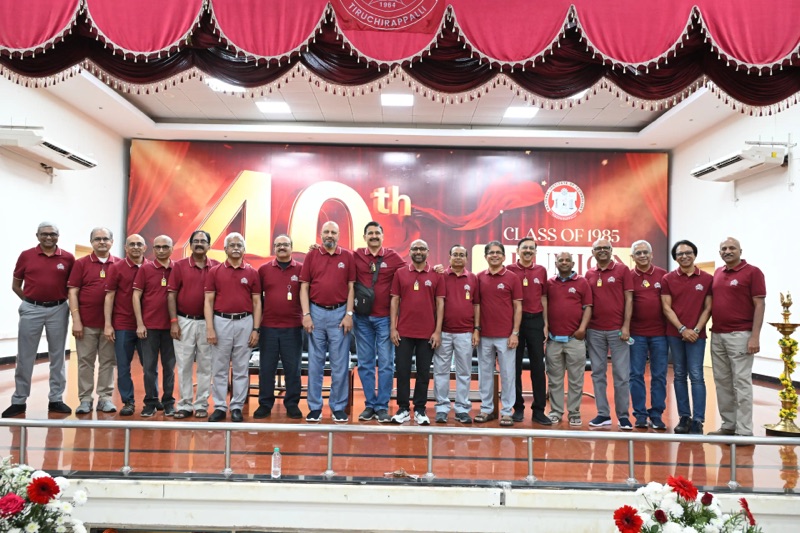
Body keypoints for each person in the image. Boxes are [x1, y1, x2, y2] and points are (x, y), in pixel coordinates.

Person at [2, 222, 74, 418]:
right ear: (37, 235)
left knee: (58, 356)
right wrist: (30, 302)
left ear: (58, 236)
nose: (48, 237)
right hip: (31, 309)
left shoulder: (68, 258)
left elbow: (73, 287)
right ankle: (19, 401)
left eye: (52, 234)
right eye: (44, 234)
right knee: (25, 357)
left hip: (58, 309)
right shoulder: (26, 255)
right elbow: (16, 285)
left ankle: (56, 399)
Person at [299, 221, 356, 423]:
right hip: (315, 313)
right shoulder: (312, 255)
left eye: (333, 232)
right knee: (315, 364)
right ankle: (315, 408)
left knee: (340, 365)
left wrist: (349, 314)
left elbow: (351, 288)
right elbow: (304, 287)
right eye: (326, 232)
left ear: (339, 235)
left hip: (340, 314)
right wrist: (306, 314)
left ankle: (338, 407)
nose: (330, 235)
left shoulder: (347, 257)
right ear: (320, 234)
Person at [709, 237, 765, 438]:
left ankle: (744, 430)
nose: (727, 251)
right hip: (717, 335)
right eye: (723, 248)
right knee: (722, 382)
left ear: (740, 251)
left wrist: (755, 336)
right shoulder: (717, 273)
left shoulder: (753, 272)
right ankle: (728, 425)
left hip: (740, 335)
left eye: (732, 248)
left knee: (741, 382)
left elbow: (760, 304)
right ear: (720, 253)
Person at [204, 232, 262, 422]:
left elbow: (257, 303)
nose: (236, 248)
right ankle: (220, 407)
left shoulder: (252, 273)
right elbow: (208, 301)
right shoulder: (215, 272)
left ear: (244, 249)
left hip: (245, 322)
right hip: (221, 321)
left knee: (241, 368)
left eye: (239, 245)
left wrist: (256, 329)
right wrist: (210, 328)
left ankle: (237, 406)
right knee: (219, 368)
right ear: (225, 249)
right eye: (232, 245)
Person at [352, 222, 405, 423]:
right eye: (370, 233)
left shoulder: (393, 257)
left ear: (383, 236)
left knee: (385, 364)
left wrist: (435, 270)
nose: (374, 236)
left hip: (385, 319)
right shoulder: (355, 255)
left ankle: (382, 406)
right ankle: (369, 405)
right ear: (364, 237)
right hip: (361, 319)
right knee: (365, 364)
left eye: (377, 233)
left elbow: (411, 272)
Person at [389, 239, 444, 425]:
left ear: (428, 252)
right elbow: (395, 301)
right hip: (403, 332)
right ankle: (403, 409)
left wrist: (437, 331)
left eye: (422, 248)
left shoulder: (436, 275)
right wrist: (393, 327)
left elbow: (440, 304)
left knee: (423, 373)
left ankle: (420, 409)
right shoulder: (400, 273)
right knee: (402, 371)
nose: (418, 251)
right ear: (410, 252)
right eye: (415, 248)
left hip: (427, 333)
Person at [661, 239, 713, 435]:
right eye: (680, 254)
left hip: (697, 337)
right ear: (675, 258)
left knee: (697, 375)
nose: (684, 256)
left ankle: (698, 420)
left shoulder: (707, 279)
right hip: (675, 335)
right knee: (680, 375)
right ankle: (684, 417)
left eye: (688, 252)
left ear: (694, 254)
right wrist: (682, 329)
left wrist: (696, 330)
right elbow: (666, 307)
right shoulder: (668, 279)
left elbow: (708, 308)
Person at [167, 230, 219, 419]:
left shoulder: (216, 267)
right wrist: (174, 322)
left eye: (203, 241)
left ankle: (202, 404)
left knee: (206, 365)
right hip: (184, 322)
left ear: (209, 245)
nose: (199, 244)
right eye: (195, 241)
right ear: (190, 245)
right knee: (184, 365)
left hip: (208, 323)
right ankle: (185, 405)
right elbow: (171, 295)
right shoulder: (179, 266)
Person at [68, 227, 118, 414]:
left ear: (112, 242)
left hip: (110, 325)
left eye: (105, 238)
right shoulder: (81, 264)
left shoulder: (119, 264)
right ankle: (85, 400)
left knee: (107, 362)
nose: (102, 242)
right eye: (97, 239)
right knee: (85, 362)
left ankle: (105, 398)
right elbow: (72, 292)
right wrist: (76, 320)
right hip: (86, 324)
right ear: (91, 242)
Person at [584, 239, 633, 430]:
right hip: (594, 331)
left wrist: (626, 326)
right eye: (598, 248)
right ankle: (603, 414)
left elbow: (629, 299)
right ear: (593, 252)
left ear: (611, 251)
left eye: (606, 248)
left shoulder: (622, 270)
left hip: (618, 331)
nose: (602, 250)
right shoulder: (589, 274)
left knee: (621, 375)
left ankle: (623, 416)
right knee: (598, 374)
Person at [255, 234, 304, 419]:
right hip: (268, 327)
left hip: (293, 328)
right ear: (274, 248)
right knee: (266, 368)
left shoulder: (301, 269)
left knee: (293, 369)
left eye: (285, 244)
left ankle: (292, 404)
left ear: (292, 247)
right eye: (278, 245)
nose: (282, 247)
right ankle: (265, 404)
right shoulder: (263, 270)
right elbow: (256, 299)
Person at [474, 241, 522, 426]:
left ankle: (507, 412)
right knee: (485, 374)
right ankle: (486, 409)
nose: (494, 255)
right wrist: (477, 330)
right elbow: (476, 306)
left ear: (504, 256)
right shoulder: (479, 278)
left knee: (508, 375)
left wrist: (515, 332)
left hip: (506, 336)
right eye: (491, 252)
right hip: (484, 335)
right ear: (485, 256)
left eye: (498, 252)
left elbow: (518, 307)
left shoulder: (512, 278)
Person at [434, 245, 479, 424]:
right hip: (443, 332)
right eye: (455, 254)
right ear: (449, 257)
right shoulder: (440, 276)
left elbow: (476, 305)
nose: (458, 257)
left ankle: (462, 409)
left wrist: (476, 329)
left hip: (465, 333)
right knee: (441, 371)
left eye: (462, 255)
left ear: (467, 258)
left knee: (464, 372)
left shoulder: (473, 278)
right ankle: (442, 408)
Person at [507, 237, 550, 425]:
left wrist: (546, 323)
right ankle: (517, 408)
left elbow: (544, 298)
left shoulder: (541, 270)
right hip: (514, 323)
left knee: (538, 367)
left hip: (536, 321)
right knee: (514, 366)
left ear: (535, 252)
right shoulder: (508, 270)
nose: (528, 251)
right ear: (518, 250)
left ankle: (539, 410)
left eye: (531, 248)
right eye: (524, 248)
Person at [545, 252, 592, 426]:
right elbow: (544, 305)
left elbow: (588, 307)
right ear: (556, 263)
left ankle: (574, 413)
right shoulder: (549, 283)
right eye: (561, 260)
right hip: (553, 340)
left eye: (567, 260)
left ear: (573, 264)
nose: (564, 262)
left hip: (575, 340)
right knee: (554, 380)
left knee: (576, 379)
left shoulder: (582, 282)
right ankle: (556, 411)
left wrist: (582, 329)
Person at [103, 234, 148, 416]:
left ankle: (152, 400)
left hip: (147, 326)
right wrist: (108, 324)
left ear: (145, 247)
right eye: (132, 244)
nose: (136, 247)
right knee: (123, 366)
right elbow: (109, 296)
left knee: (149, 366)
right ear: (125, 248)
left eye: (139, 244)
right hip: (123, 325)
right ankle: (128, 401)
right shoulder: (116, 268)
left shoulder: (151, 267)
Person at [626, 240, 669, 430]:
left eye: (645, 252)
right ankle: (640, 415)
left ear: (651, 255)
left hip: (660, 334)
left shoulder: (663, 275)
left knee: (659, 375)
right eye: (638, 253)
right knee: (636, 375)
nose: (642, 255)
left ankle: (657, 415)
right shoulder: (628, 276)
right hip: (636, 334)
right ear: (632, 257)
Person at [132, 235, 175, 417]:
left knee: (169, 367)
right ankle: (150, 402)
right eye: (158, 247)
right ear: (153, 249)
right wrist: (140, 323)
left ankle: (168, 402)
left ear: (172, 248)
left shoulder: (177, 269)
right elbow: (136, 296)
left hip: (171, 329)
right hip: (149, 328)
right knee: (149, 368)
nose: (161, 250)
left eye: (165, 247)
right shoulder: (145, 269)